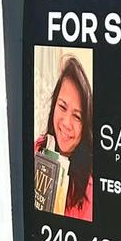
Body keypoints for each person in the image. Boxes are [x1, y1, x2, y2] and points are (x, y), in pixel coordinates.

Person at [35, 56, 94, 221]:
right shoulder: (37, 147)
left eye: (77, 117)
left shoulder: (90, 189)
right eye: (62, 107)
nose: (66, 123)